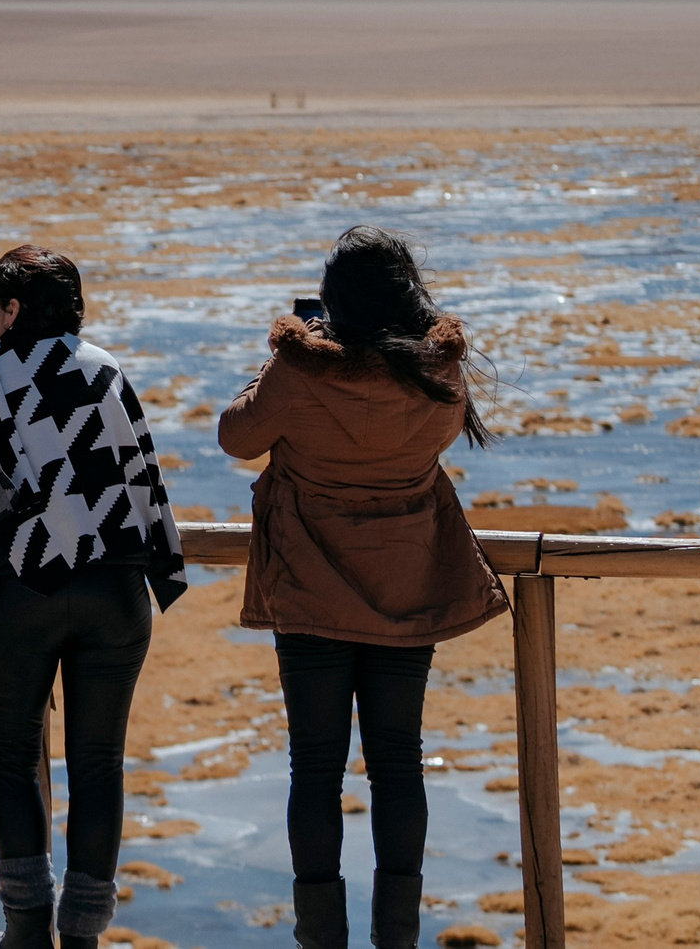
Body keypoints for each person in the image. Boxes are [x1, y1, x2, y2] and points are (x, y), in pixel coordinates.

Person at [217, 227, 506, 949]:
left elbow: (236, 438)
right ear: (408, 294)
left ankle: (321, 940)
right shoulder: (439, 373)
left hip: (308, 589)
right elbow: (435, 438)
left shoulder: (300, 371)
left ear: (335, 298)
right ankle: (397, 938)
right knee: (399, 762)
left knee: (315, 768)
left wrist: (281, 359)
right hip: (407, 582)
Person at [0, 245, 185, 949]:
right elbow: (145, 474)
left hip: (24, 582)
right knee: (100, 763)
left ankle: (25, 931)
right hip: (117, 584)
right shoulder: (105, 368)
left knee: (13, 759)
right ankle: (82, 936)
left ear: (12, 308)